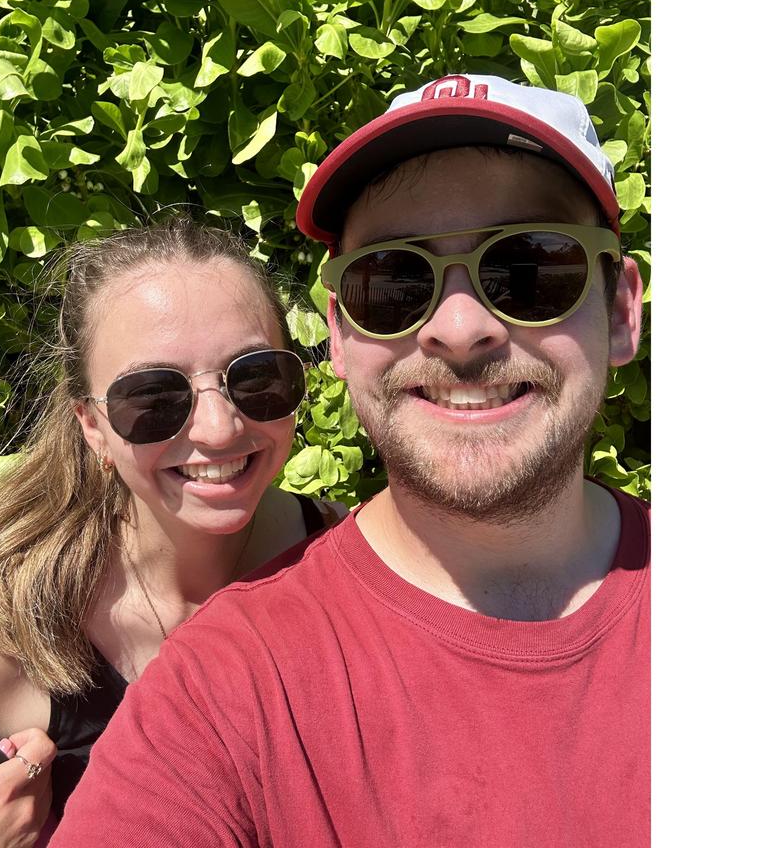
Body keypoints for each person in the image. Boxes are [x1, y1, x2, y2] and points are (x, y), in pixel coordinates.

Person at [48, 73, 649, 847]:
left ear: (622, 311)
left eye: (530, 270)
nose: (458, 328)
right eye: (393, 282)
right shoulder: (219, 692)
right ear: (337, 335)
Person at [0, 218, 342, 847]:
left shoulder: (353, 566)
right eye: (153, 397)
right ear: (92, 425)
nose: (219, 427)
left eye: (255, 377)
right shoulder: (4, 633)